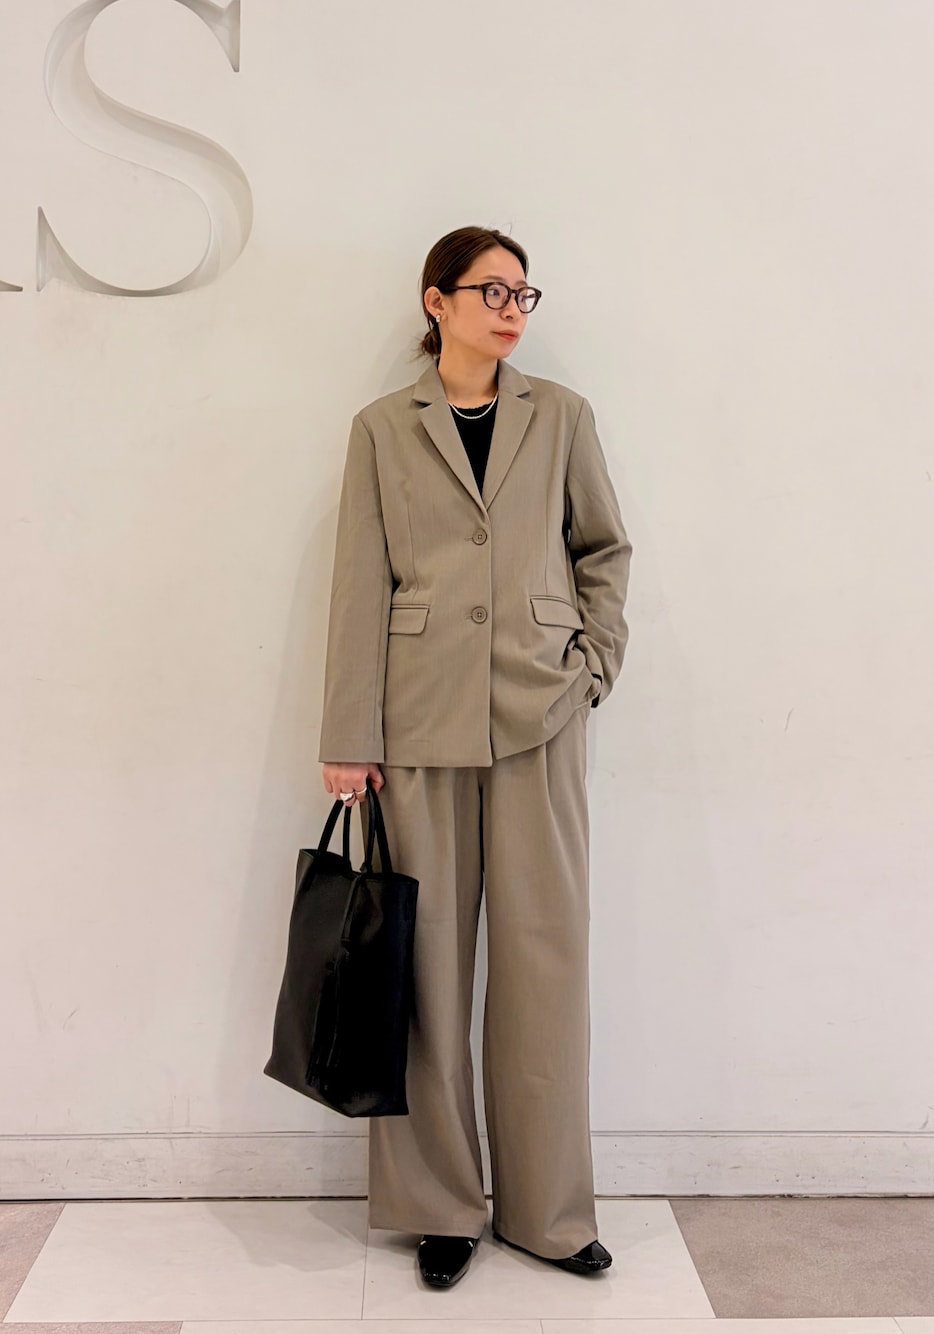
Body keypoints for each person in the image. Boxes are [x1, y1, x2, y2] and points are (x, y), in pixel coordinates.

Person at [318, 225, 631, 1288]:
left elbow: (603, 548)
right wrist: (348, 736)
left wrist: (594, 664)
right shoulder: (381, 427)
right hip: (417, 723)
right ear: (436, 301)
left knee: (546, 965)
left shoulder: (563, 416)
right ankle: (440, 1206)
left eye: (522, 293)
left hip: (541, 711)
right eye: (491, 290)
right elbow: (360, 582)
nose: (511, 309)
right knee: (426, 970)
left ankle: (548, 1211)